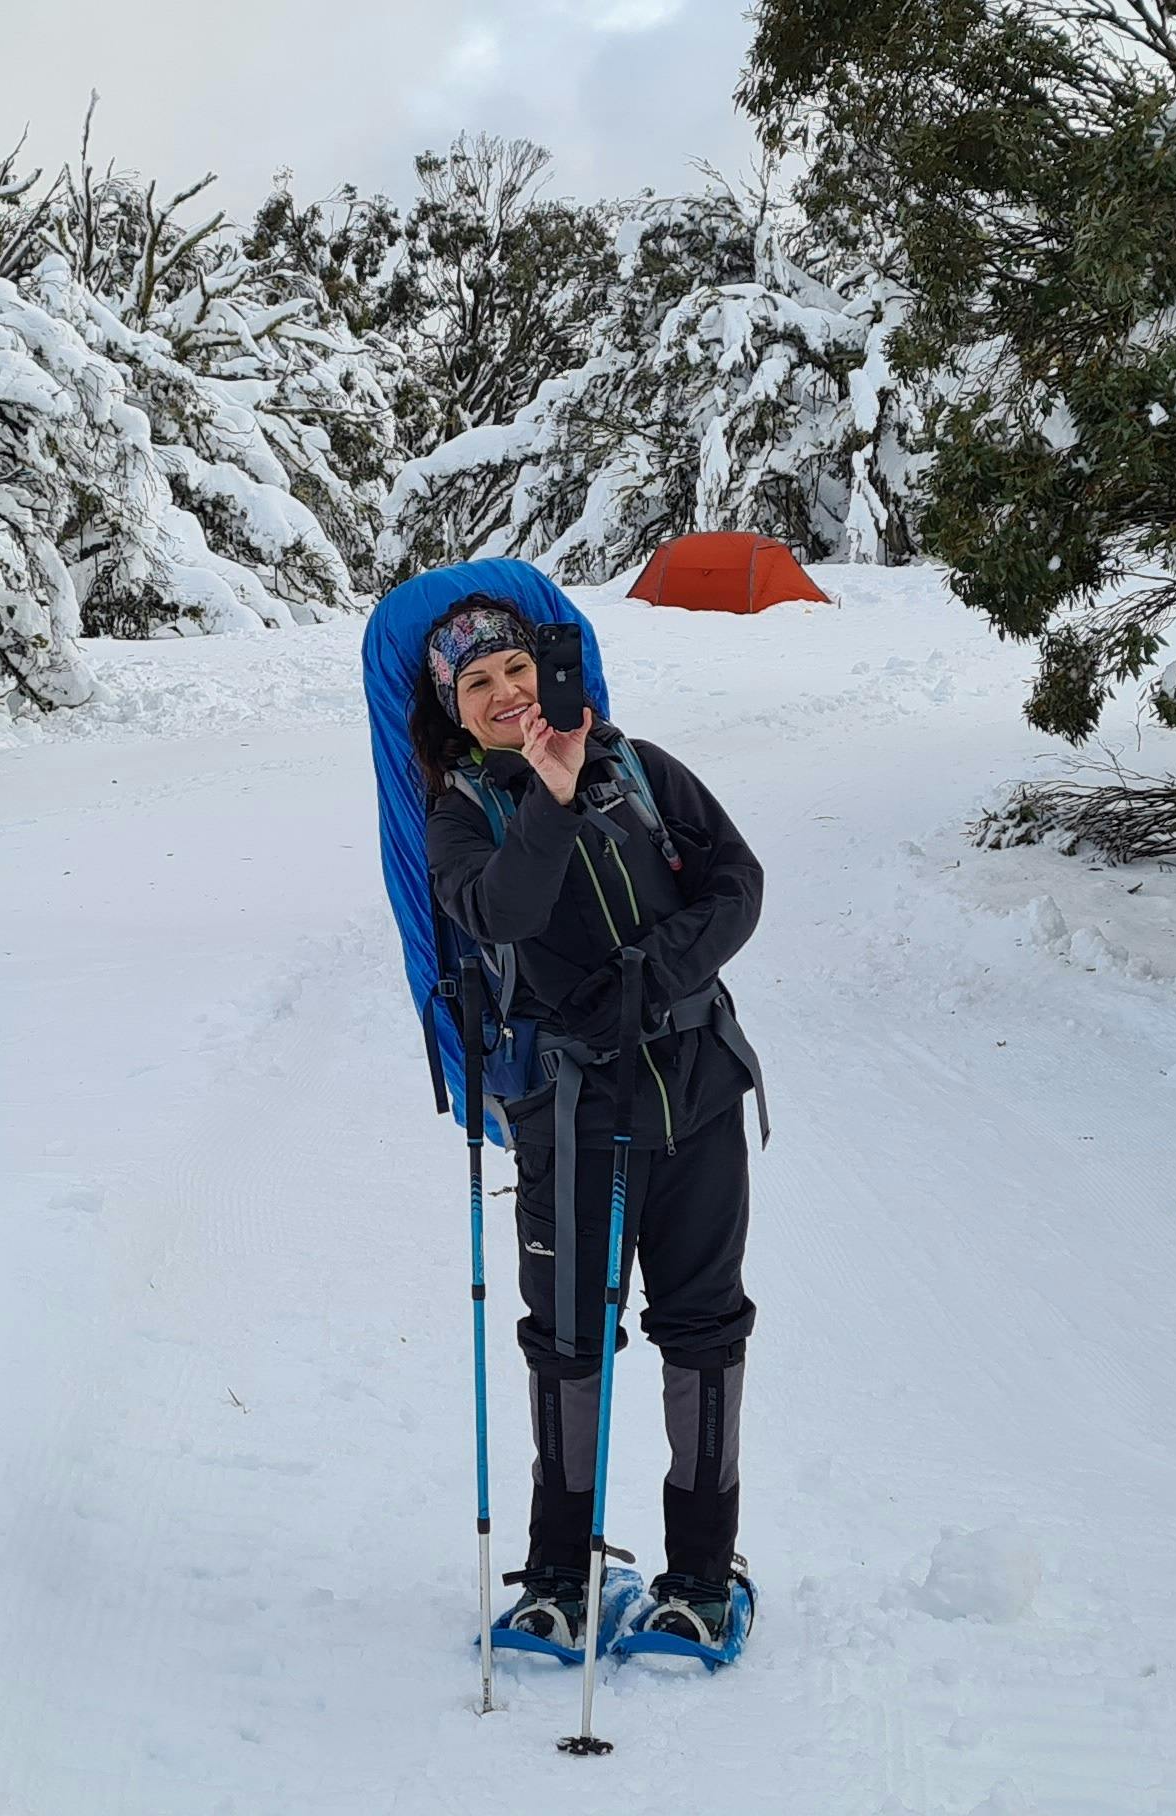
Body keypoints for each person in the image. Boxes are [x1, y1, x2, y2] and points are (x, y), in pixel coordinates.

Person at [413, 598, 766, 1652]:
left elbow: (738, 883)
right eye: (476, 685)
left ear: (550, 670)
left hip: (696, 1092)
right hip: (568, 1113)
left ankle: (700, 1577)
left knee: (705, 1327)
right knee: (567, 1343)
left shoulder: (644, 767)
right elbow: (502, 912)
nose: (506, 693)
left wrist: (657, 976)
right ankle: (560, 1579)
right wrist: (553, 800)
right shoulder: (464, 814)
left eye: (515, 668)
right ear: (454, 712)